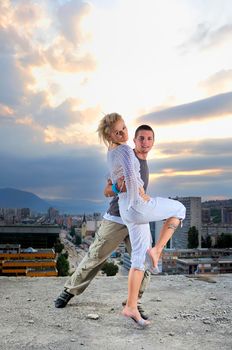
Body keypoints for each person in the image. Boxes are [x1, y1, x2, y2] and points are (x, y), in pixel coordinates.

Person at [54, 124, 155, 320]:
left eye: (149, 138)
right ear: (134, 140)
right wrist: (119, 188)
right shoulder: (124, 157)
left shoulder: (145, 164)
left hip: (137, 220)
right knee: (95, 256)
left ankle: (133, 303)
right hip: (116, 218)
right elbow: (107, 191)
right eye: (141, 138)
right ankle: (69, 290)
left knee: (144, 261)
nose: (145, 142)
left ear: (153, 142)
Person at [97, 112, 186, 327]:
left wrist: (131, 196)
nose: (123, 133)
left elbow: (117, 181)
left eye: (124, 128)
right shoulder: (127, 151)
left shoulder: (110, 152)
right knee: (180, 209)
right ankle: (157, 250)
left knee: (138, 259)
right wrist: (141, 196)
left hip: (127, 210)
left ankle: (130, 307)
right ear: (110, 135)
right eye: (118, 132)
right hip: (136, 206)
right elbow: (128, 175)